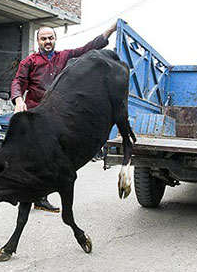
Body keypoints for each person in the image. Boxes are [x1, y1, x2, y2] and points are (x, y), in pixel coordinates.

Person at [11, 22, 118, 212]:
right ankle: (30, 194)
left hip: (57, 116)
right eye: (43, 39)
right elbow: (18, 81)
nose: (47, 41)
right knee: (35, 158)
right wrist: (19, 99)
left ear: (55, 40)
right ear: (38, 41)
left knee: (52, 158)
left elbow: (88, 48)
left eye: (50, 38)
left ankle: (39, 195)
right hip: (36, 116)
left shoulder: (64, 57)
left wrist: (110, 30)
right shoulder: (29, 62)